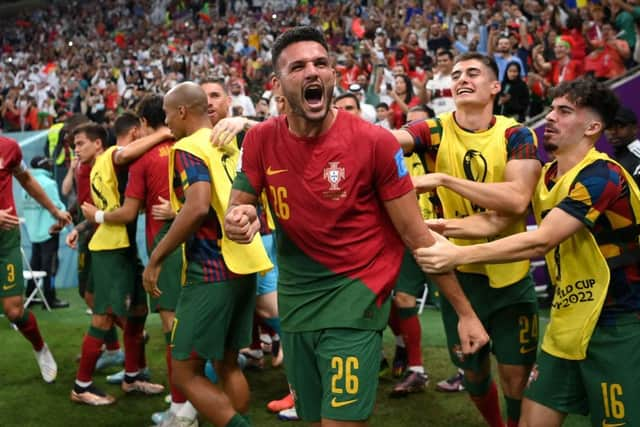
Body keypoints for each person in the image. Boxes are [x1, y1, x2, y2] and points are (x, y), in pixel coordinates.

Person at [224, 26, 488, 427]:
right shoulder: (259, 140)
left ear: (334, 75)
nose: (313, 72)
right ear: (278, 85)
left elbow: (416, 234)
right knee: (312, 419)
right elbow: (239, 205)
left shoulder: (374, 142)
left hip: (355, 299)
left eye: (321, 63)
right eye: (298, 67)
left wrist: (464, 312)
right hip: (295, 304)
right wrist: (239, 220)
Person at [414, 78, 638, 427]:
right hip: (567, 323)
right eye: (552, 109)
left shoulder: (603, 175)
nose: (550, 117)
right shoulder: (547, 175)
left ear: (593, 127)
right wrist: (439, 229)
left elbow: (541, 241)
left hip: (620, 324)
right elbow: (493, 223)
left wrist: (457, 256)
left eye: (564, 111)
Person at [393, 52, 542, 427]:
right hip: (458, 274)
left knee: (515, 376)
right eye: (456, 73)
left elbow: (516, 200)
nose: (462, 78)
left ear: (495, 87)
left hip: (510, 274)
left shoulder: (516, 133)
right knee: (474, 376)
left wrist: (444, 179)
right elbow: (389, 140)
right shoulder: (434, 130)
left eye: (473, 73)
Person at [143, 82, 272, 427]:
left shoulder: (188, 146)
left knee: (185, 372)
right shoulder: (228, 143)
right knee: (229, 364)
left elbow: (198, 205)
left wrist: (156, 257)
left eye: (168, 114)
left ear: (182, 111)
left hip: (212, 267)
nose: (167, 121)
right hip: (245, 263)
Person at [80, 95, 195, 426]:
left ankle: (182, 407)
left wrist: (95, 216)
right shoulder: (188, 146)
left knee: (169, 326)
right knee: (140, 315)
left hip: (161, 245)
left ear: (143, 124)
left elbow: (130, 210)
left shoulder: (141, 160)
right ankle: (136, 376)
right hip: (194, 242)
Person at [71, 119, 165, 406]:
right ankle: (81, 385)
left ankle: (133, 376)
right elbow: (123, 153)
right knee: (104, 316)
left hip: (120, 248)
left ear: (98, 143)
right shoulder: (107, 157)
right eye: (74, 146)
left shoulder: (101, 161)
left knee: (136, 313)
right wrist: (163, 133)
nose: (76, 150)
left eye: (79, 144)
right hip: (109, 249)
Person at [0, 136, 71, 383]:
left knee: (14, 311)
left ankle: (40, 347)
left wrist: (54, 210)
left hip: (5, 239)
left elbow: (27, 179)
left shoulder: (9, 147)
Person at [21, 156, 69, 309]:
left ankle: (31, 295)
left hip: (33, 230)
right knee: (50, 265)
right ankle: (50, 298)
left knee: (35, 262)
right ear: (45, 166)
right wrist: (64, 219)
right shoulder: (48, 183)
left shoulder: (26, 183)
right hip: (49, 230)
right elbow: (56, 206)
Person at [605, 106, 640, 187]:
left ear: (635, 128)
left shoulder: (637, 155)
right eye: (609, 127)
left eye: (620, 126)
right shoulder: (613, 158)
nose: (613, 132)